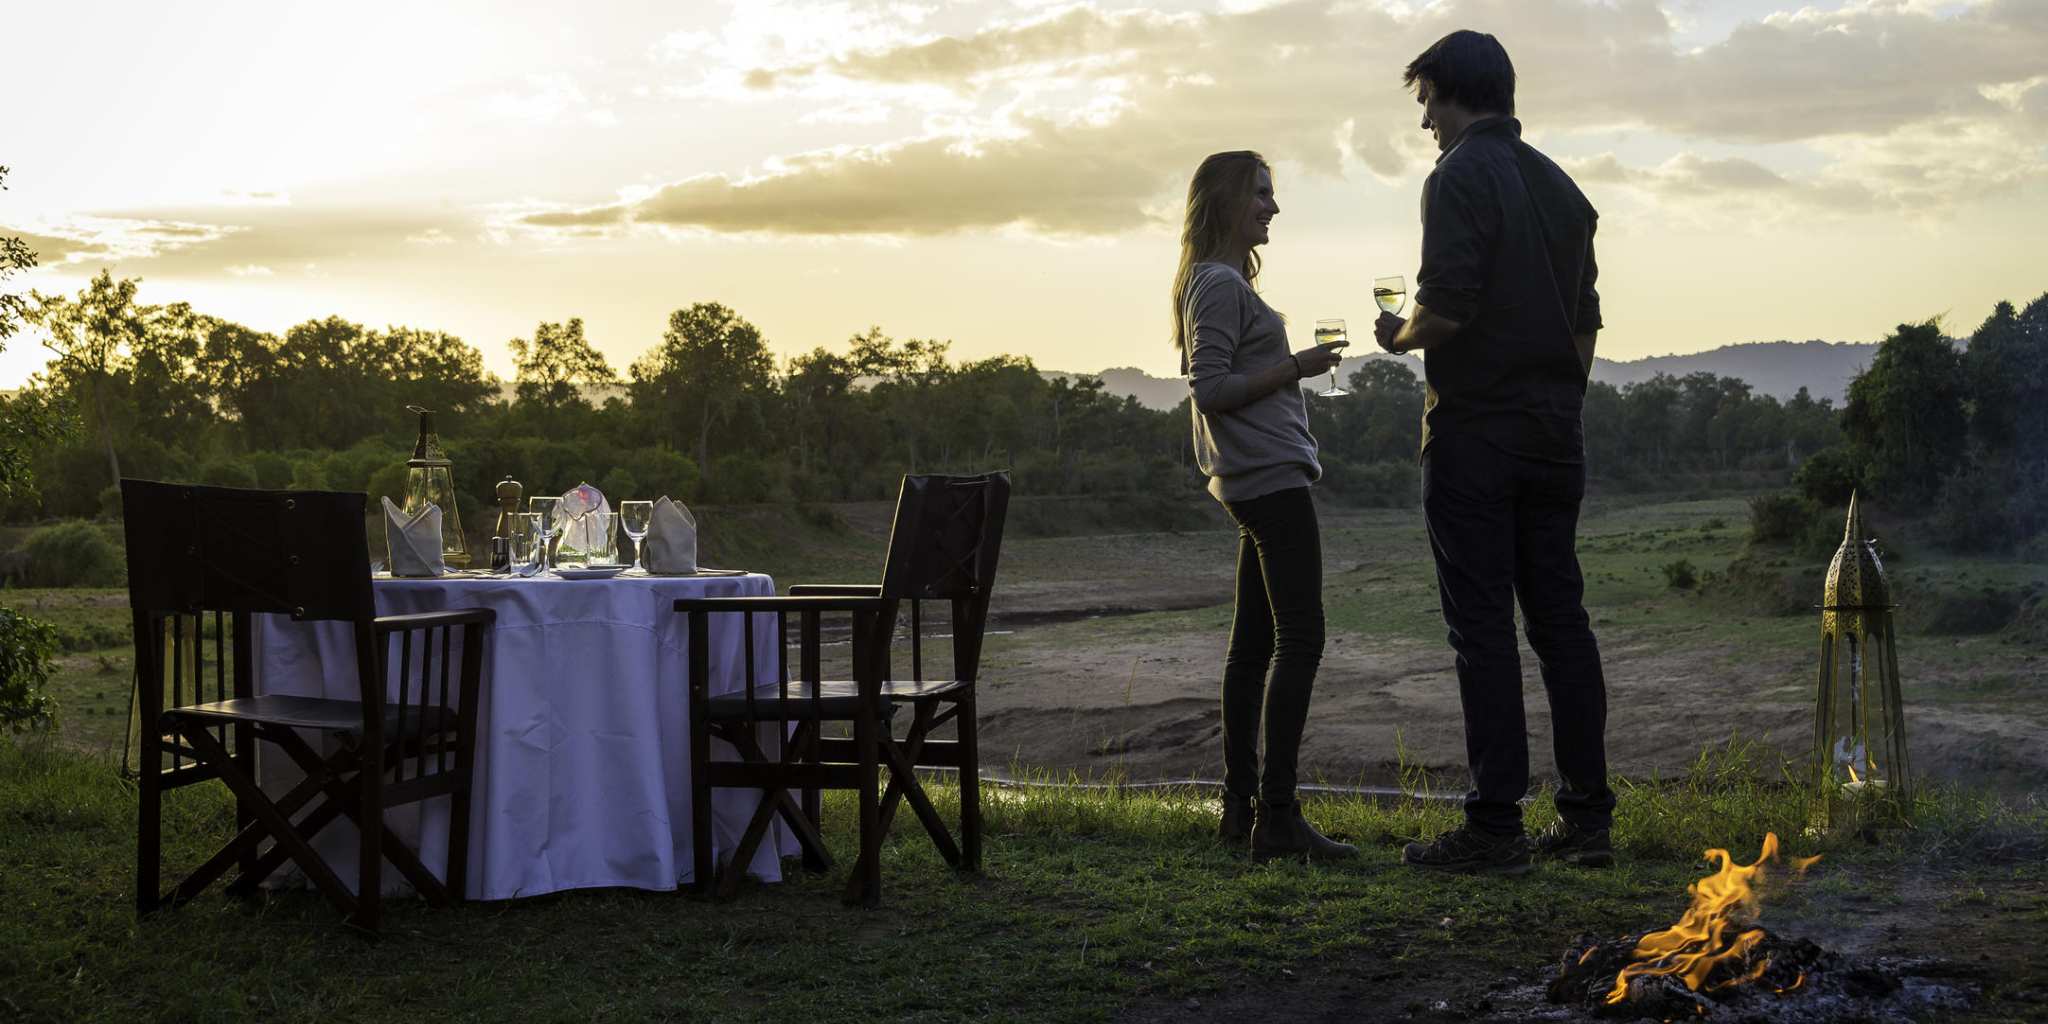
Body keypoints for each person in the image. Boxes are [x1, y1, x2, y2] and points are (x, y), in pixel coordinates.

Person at [1372, 31, 1617, 874]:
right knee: (1561, 622)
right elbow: (1586, 324)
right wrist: (1559, 398)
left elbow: (1444, 311)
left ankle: (1494, 829)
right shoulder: (1562, 187)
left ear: (1450, 92)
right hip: (1557, 433)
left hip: (1476, 430)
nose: (1426, 125)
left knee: (1482, 629)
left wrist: (1398, 338)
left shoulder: (1458, 176)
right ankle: (1587, 820)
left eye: (1426, 104)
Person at [1174, 150, 1356, 863]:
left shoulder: (1211, 280)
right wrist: (1298, 368)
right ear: (1224, 200)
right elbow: (1210, 387)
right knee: (1300, 639)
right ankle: (1277, 817)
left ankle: (1240, 808)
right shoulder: (1217, 284)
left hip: (1256, 480)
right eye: (1261, 194)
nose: (1273, 207)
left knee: (1252, 644)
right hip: (1269, 482)